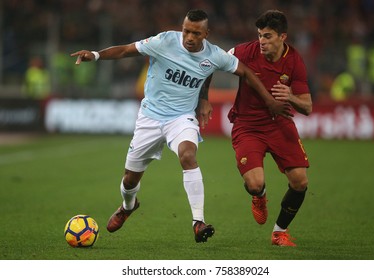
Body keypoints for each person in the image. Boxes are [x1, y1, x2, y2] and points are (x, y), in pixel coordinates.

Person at [70, 9, 291, 243]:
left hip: (181, 118)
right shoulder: (164, 41)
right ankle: (128, 206)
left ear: (206, 34)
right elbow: (126, 50)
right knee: (129, 180)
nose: (189, 37)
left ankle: (198, 222)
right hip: (150, 118)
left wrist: (269, 101)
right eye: (186, 30)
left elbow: (244, 71)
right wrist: (94, 55)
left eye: (196, 33)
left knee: (188, 155)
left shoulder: (215, 55)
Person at [226, 10, 312, 246]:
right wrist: (203, 99)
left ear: (282, 37)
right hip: (248, 126)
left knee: (300, 181)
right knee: (254, 184)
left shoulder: (294, 61)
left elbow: (307, 107)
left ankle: (279, 232)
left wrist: (291, 97)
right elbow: (211, 62)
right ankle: (259, 196)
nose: (261, 41)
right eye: (260, 36)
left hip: (279, 124)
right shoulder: (245, 51)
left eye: (267, 36)